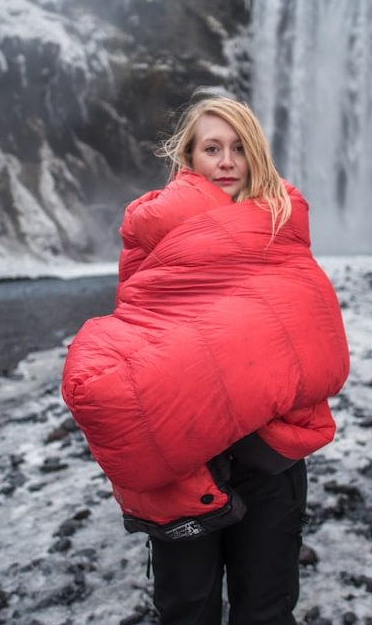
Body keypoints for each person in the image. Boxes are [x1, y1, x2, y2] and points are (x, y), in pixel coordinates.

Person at [61, 94, 349, 624]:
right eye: (211, 148)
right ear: (188, 158)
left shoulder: (282, 220)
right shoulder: (152, 230)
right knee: (185, 606)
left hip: (270, 450)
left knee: (265, 604)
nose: (226, 161)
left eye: (239, 148)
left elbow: (308, 324)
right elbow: (142, 320)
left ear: (255, 155)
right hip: (187, 452)